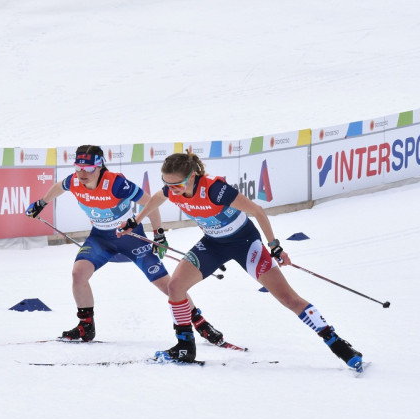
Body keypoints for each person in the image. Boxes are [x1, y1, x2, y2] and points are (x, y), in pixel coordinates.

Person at [118, 152, 364, 369]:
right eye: (168, 184)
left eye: (178, 185)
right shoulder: (171, 190)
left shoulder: (215, 189)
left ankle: (338, 344)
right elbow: (157, 199)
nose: (173, 190)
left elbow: (256, 211)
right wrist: (134, 222)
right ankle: (185, 346)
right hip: (213, 244)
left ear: (192, 176)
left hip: (245, 244)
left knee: (288, 298)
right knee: (175, 287)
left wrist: (274, 246)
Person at [25, 145, 227, 345]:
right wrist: (41, 203)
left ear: (100, 166)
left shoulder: (116, 184)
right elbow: (59, 187)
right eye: (78, 167)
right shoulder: (73, 181)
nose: (82, 173)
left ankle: (201, 324)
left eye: (88, 169)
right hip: (100, 239)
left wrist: (158, 235)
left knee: (167, 285)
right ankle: (85, 326)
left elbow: (151, 203)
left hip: (131, 240)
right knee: (78, 273)